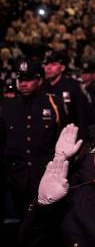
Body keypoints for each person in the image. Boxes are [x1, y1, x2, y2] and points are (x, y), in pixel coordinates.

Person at [1, 60, 66, 215]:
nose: (23, 83)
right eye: (20, 79)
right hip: (17, 178)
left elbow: (62, 139)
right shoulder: (7, 106)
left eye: (28, 79)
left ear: (40, 80)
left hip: (46, 176)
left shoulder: (52, 103)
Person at [41, 50, 90, 136]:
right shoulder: (41, 87)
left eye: (53, 64)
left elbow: (82, 117)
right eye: (46, 64)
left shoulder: (73, 86)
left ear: (62, 68)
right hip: (45, 136)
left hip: (68, 136)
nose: (48, 67)